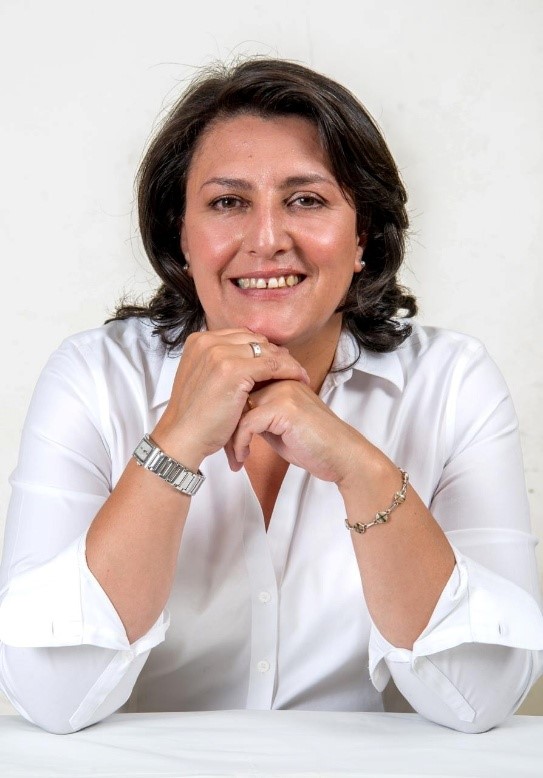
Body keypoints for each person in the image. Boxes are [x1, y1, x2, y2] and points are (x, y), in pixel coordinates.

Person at [0, 57, 542, 735]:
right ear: (180, 234)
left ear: (363, 236)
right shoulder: (92, 378)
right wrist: (175, 443)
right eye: (228, 202)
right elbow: (51, 697)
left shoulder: (453, 382)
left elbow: (481, 697)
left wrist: (360, 469)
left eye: (306, 200)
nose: (266, 240)